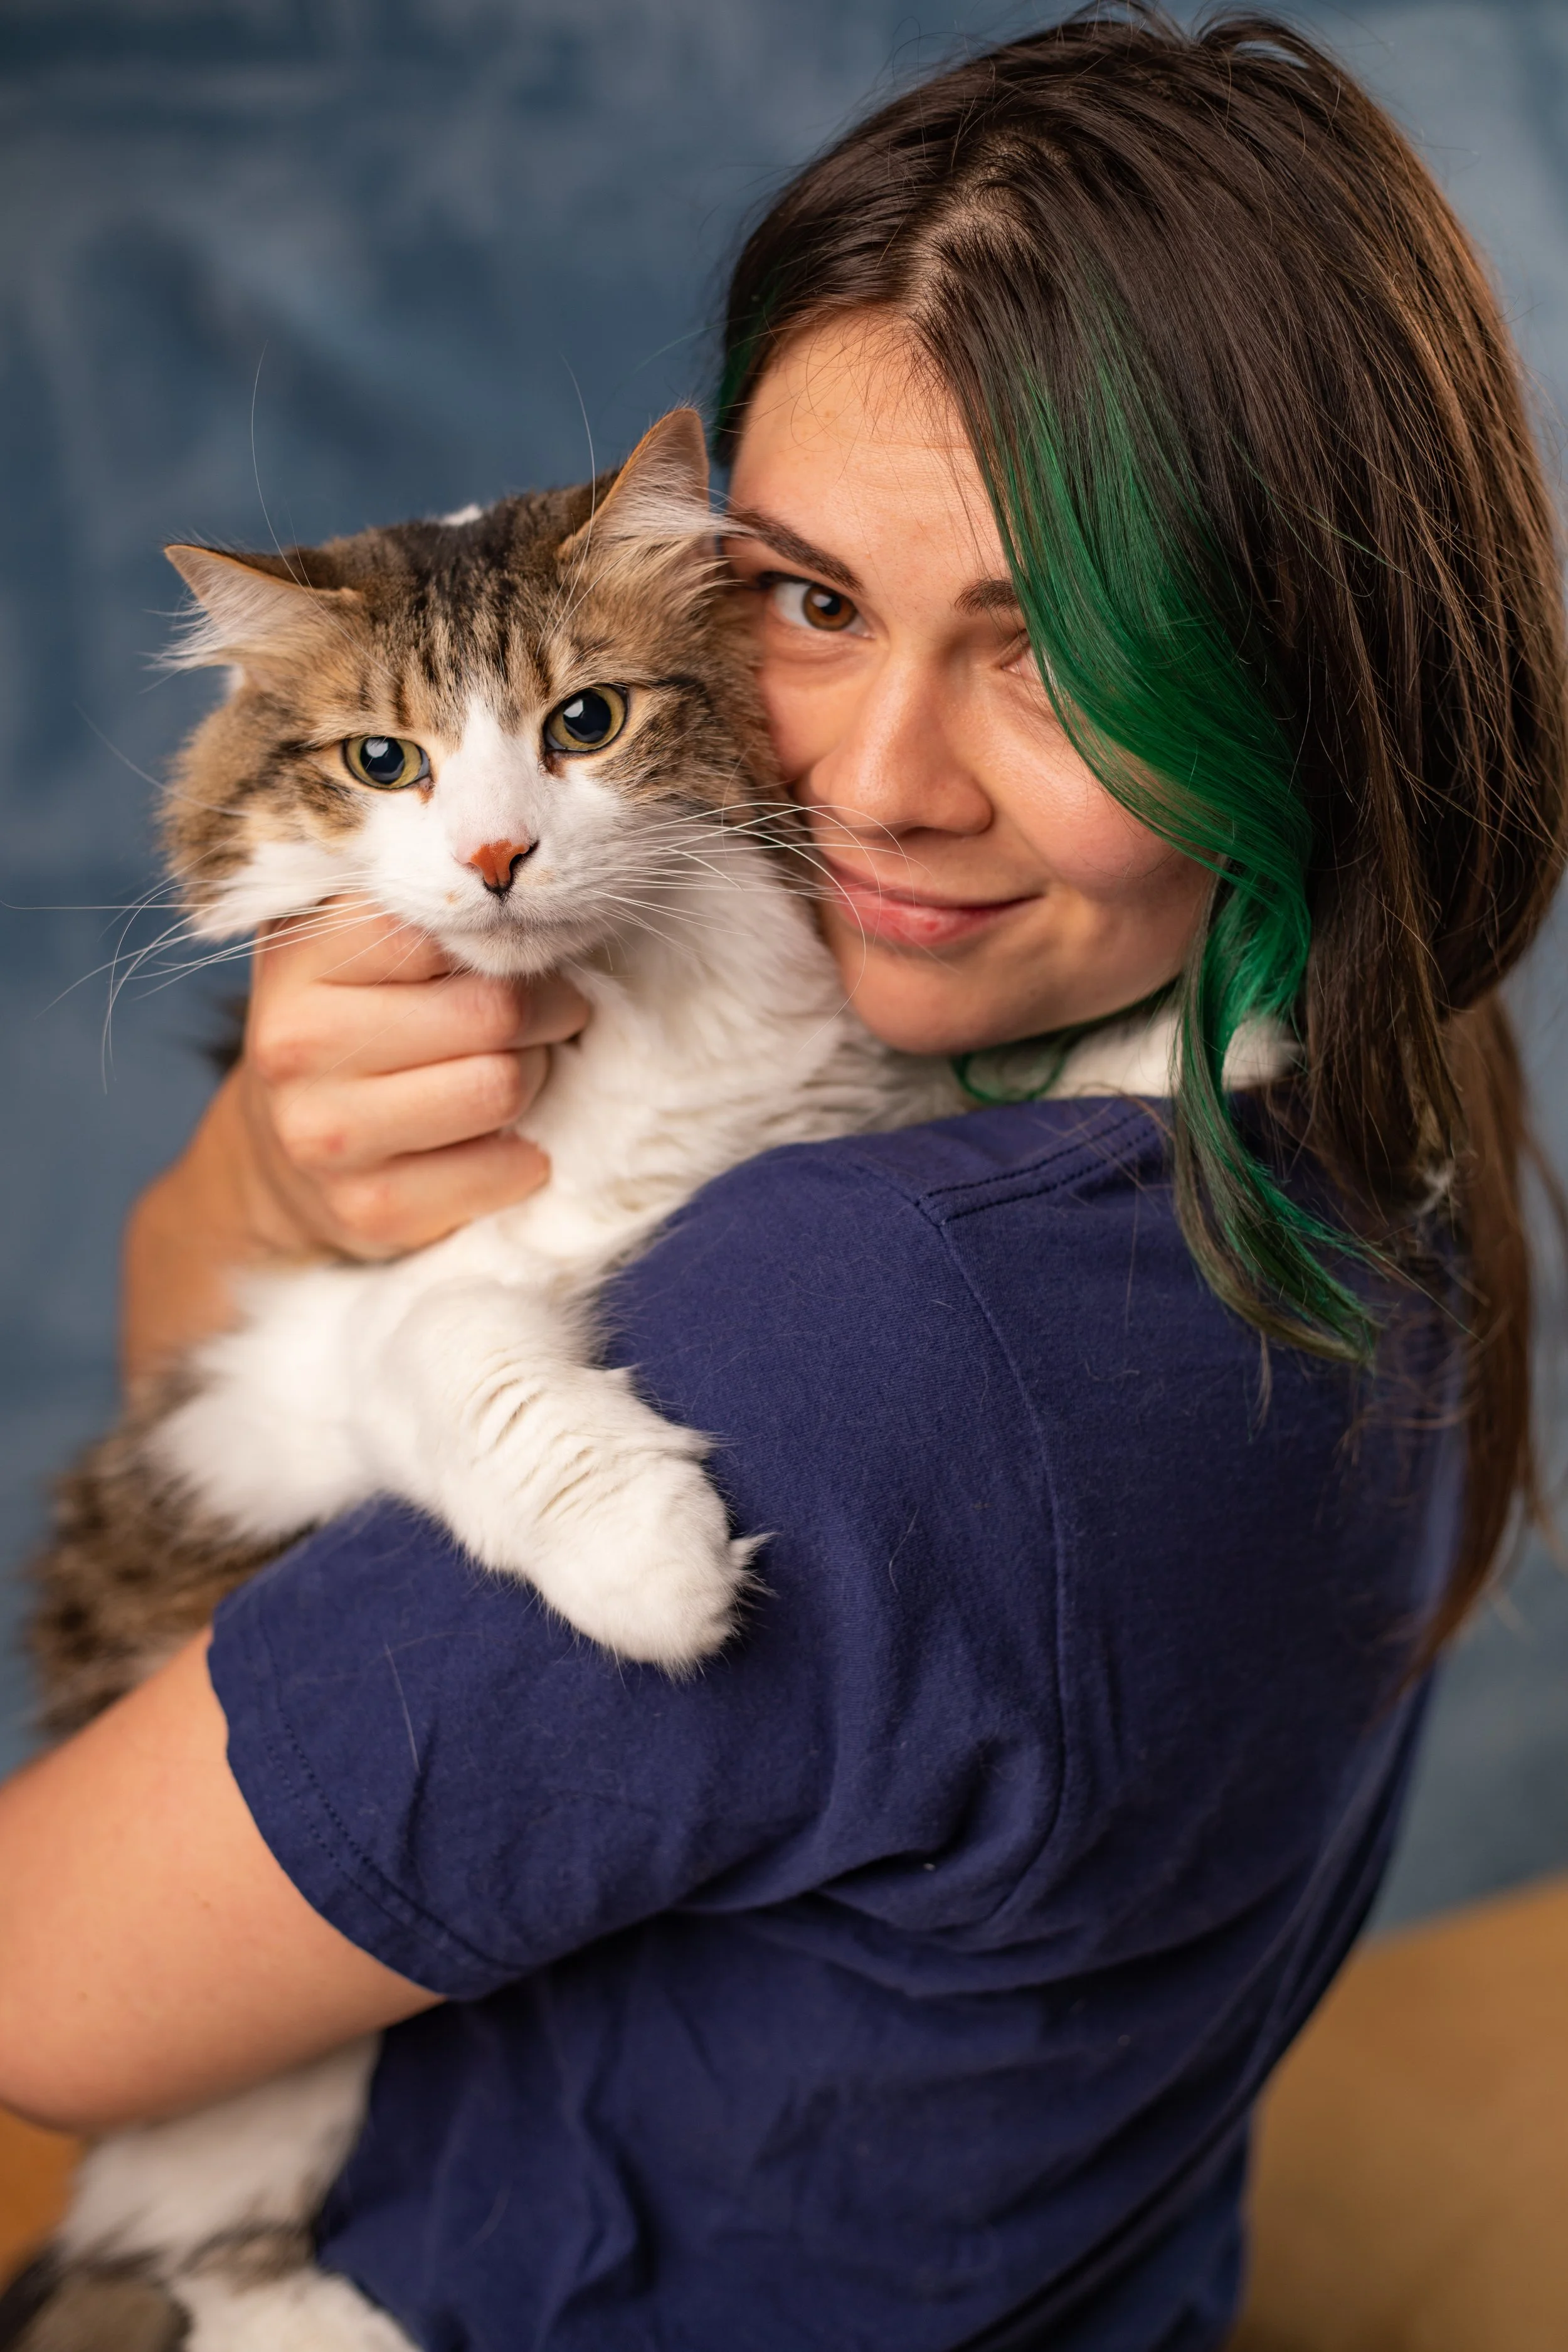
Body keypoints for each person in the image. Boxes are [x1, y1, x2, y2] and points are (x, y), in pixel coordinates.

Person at [1, 9, 1564, 2348]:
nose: (878, 784)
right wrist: (271, 1164)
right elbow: (223, 1495)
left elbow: (50, 1983)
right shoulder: (1365, 1148)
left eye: (1058, 656)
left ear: (1309, 682)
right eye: (813, 603)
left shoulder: (870, 1326)